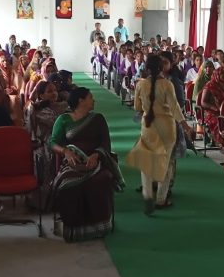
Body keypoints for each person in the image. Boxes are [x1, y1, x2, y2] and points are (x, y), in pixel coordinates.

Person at [48, 88, 124, 240]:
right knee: (67, 184)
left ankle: (100, 226)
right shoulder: (63, 120)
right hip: (73, 163)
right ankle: (74, 228)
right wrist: (66, 152)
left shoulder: (98, 119)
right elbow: (53, 142)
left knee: (101, 180)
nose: (93, 100)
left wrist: (96, 155)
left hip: (97, 161)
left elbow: (105, 144)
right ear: (80, 100)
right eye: (90, 97)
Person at [128, 54, 185, 213]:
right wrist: (186, 126)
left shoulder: (141, 84)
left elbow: (137, 107)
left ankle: (147, 195)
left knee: (146, 162)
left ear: (146, 68)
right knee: (165, 163)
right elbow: (175, 108)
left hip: (148, 127)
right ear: (161, 68)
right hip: (167, 127)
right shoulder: (167, 84)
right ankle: (161, 199)